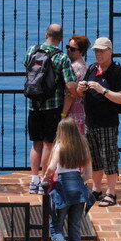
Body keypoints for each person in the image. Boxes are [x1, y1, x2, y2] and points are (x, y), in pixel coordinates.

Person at [24, 24, 77, 195]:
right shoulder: (62, 58)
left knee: (36, 143)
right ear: (61, 39)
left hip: (33, 105)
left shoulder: (32, 50)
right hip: (52, 107)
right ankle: (44, 182)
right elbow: (70, 85)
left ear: (46, 34)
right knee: (48, 144)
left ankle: (33, 180)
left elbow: (28, 69)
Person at [39, 118, 95, 241]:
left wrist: (45, 181)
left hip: (62, 189)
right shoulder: (83, 147)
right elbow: (88, 175)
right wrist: (78, 181)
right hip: (78, 188)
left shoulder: (60, 146)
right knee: (75, 229)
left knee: (56, 227)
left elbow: (51, 168)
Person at [78, 36, 121, 207]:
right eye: (96, 51)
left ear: (110, 51)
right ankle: (96, 188)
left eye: (101, 51)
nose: (98, 54)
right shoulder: (92, 68)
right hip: (90, 121)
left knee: (109, 158)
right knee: (94, 157)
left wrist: (103, 90)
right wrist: (81, 88)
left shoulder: (117, 72)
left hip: (107, 122)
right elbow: (81, 94)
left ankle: (111, 192)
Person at [63, 35, 90, 134]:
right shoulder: (86, 68)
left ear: (81, 52)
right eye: (68, 47)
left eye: (73, 49)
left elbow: (70, 94)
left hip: (72, 116)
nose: (69, 50)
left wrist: (63, 115)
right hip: (83, 115)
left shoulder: (73, 68)